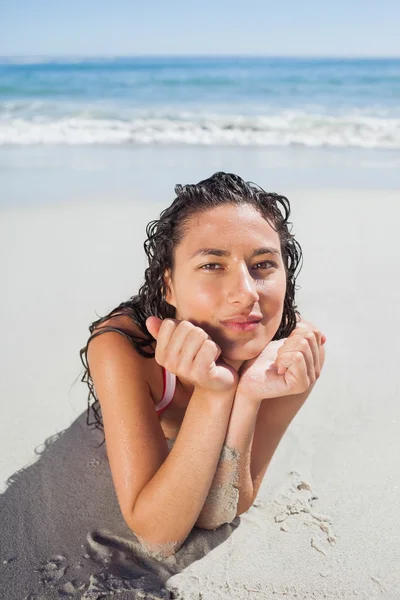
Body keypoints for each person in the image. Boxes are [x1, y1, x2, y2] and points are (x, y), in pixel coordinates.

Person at [79, 171, 326, 560]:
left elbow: (226, 509)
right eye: (212, 265)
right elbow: (159, 535)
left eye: (263, 265)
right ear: (169, 286)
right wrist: (214, 394)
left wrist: (245, 398)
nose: (246, 294)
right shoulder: (124, 347)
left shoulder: (292, 351)